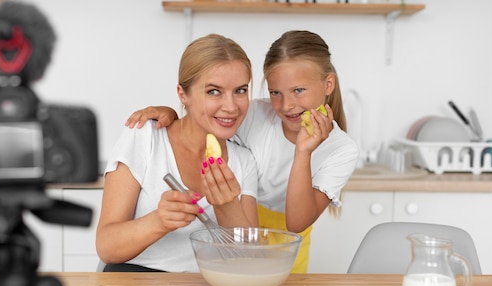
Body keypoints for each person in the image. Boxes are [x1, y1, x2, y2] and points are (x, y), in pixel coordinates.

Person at [126, 30, 359, 272]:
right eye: (275, 93)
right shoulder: (255, 115)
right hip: (244, 220)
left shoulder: (341, 150)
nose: (286, 105)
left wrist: (303, 152)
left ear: (328, 84)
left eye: (298, 90)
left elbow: (296, 222)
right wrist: (172, 114)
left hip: (286, 240)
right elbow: (208, 118)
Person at [96, 34, 259, 273]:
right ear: (183, 95)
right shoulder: (145, 137)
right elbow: (106, 246)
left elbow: (249, 262)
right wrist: (158, 221)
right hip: (134, 282)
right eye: (214, 91)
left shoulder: (244, 161)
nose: (231, 106)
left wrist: (227, 206)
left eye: (240, 90)